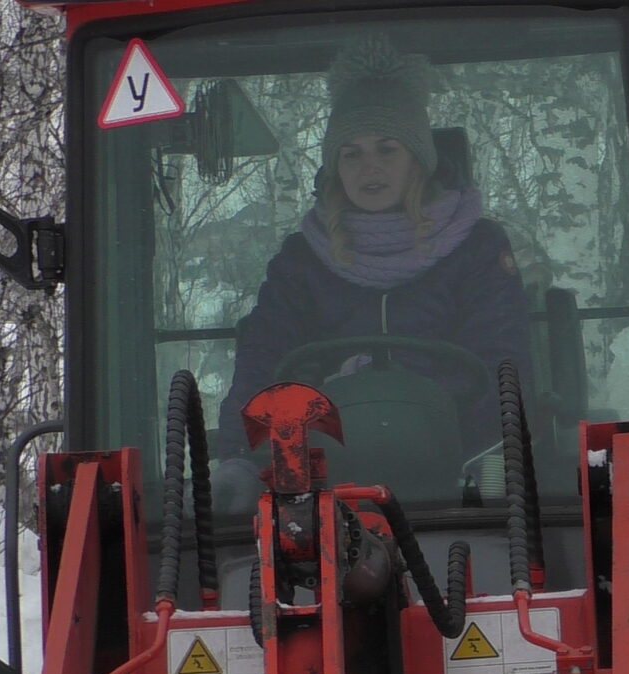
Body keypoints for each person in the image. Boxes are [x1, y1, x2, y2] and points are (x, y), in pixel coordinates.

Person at [213, 38, 528, 511]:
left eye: (387, 148)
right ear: (335, 167)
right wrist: (240, 455)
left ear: (419, 158)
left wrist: (401, 396)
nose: (370, 167)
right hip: (322, 485)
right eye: (352, 153)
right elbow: (265, 354)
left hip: (458, 476)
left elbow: (498, 359)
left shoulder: (477, 248)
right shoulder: (302, 259)